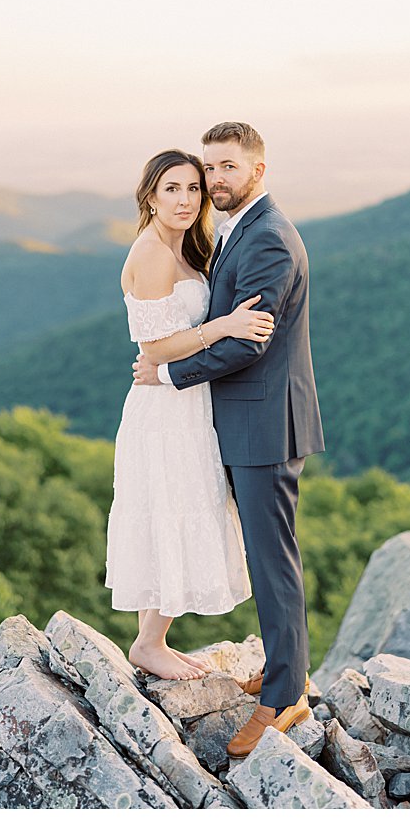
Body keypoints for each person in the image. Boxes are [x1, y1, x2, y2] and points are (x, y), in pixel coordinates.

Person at [132, 122, 324, 759]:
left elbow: (248, 340)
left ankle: (283, 698)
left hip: (263, 424)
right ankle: (282, 676)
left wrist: (168, 372)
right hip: (244, 421)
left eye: (226, 169)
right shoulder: (239, 230)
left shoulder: (267, 239)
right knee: (271, 557)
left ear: (258, 171)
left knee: (273, 561)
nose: (215, 180)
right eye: (207, 168)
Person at [109, 148, 272, 681]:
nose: (184, 200)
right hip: (164, 408)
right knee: (170, 508)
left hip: (185, 402)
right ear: (150, 196)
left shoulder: (185, 248)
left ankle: (152, 638)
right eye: (171, 189)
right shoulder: (153, 252)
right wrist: (223, 327)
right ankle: (150, 643)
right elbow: (153, 347)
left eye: (193, 189)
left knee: (178, 506)